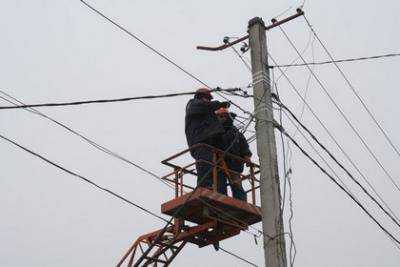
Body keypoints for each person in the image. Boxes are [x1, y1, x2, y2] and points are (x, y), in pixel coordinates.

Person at [185, 88, 230, 192]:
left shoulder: (207, 113)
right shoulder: (193, 104)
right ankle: (204, 186)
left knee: (214, 167)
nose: (209, 101)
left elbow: (217, 130)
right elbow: (203, 107)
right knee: (205, 164)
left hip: (207, 143)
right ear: (201, 97)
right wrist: (219, 104)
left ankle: (216, 189)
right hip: (199, 141)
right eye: (208, 99)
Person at [215, 107, 252, 201]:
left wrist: (247, 157)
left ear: (227, 117)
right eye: (219, 116)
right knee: (220, 184)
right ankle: (222, 201)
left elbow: (244, 147)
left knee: (237, 186)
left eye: (223, 116)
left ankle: (241, 202)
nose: (221, 118)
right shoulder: (215, 131)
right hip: (220, 163)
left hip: (234, 164)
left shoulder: (236, 134)